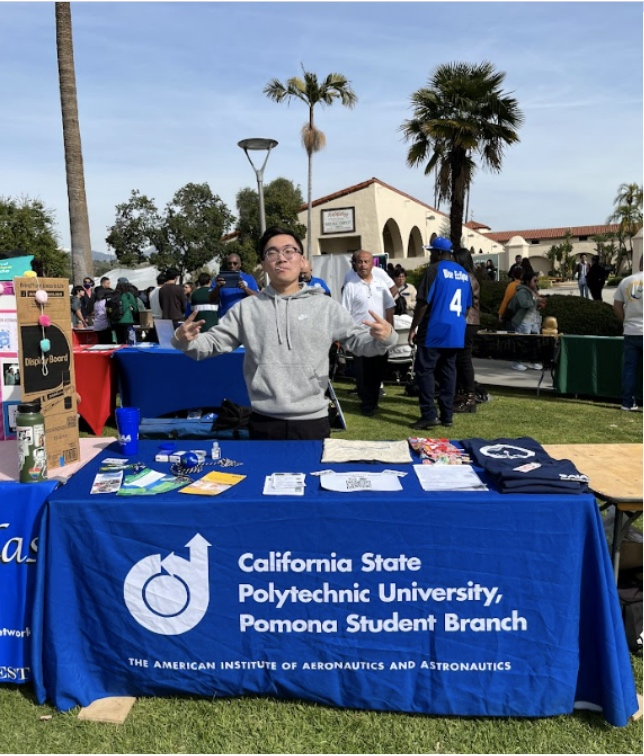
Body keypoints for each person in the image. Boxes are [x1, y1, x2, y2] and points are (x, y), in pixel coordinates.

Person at [172, 227, 396, 440]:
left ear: (302, 261)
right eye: (272, 253)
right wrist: (185, 341)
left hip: (313, 421)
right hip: (263, 421)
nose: (282, 258)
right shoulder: (247, 308)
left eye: (289, 251)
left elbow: (358, 342)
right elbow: (213, 343)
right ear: (264, 264)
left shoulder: (325, 306)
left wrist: (386, 337)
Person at [408, 236, 472, 429]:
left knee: (425, 370)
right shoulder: (463, 273)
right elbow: (468, 306)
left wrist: (413, 328)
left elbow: (423, 302)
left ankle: (429, 414)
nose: (430, 255)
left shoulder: (434, 270)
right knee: (448, 371)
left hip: (435, 327)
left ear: (437, 253)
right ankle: (447, 415)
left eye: (432, 252)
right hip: (455, 329)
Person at [341, 250, 395, 416]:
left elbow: (389, 306)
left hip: (379, 335)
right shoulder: (350, 286)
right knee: (363, 373)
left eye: (366, 262)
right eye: (359, 262)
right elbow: (344, 313)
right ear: (354, 264)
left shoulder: (380, 283)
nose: (363, 265)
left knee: (377, 370)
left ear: (372, 264)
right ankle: (367, 404)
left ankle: (373, 401)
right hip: (360, 337)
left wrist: (389, 330)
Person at [613, 258, 643, 411]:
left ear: (640, 264)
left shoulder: (626, 281)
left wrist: (626, 321)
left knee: (629, 368)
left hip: (631, 331)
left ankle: (627, 402)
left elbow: (617, 306)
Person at [453, 249, 480, 413]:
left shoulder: (466, 278)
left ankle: (470, 396)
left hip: (467, 321)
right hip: (469, 321)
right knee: (459, 359)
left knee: (463, 359)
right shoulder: (469, 277)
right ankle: (462, 393)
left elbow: (466, 303)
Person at [508, 270, 547, 371]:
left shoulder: (534, 291)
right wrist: (536, 301)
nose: (536, 283)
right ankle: (517, 362)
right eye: (534, 280)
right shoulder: (522, 291)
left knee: (534, 342)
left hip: (534, 320)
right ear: (528, 281)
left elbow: (533, 303)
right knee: (522, 342)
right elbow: (524, 303)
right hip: (523, 321)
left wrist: (539, 304)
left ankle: (533, 361)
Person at [209, 253, 259, 318]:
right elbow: (210, 299)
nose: (232, 266)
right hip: (225, 319)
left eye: (235, 263)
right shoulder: (219, 279)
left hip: (244, 318)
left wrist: (245, 289)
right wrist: (217, 287)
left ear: (240, 264)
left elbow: (258, 297)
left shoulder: (248, 278)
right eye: (229, 263)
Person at [112, 277, 138, 344]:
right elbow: (135, 309)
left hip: (116, 321)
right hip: (127, 320)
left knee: (119, 341)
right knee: (129, 341)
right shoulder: (128, 295)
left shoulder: (114, 294)